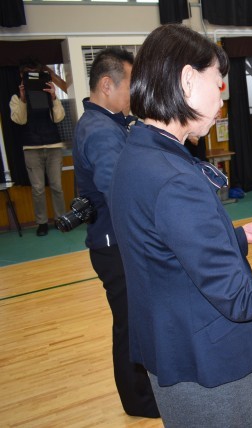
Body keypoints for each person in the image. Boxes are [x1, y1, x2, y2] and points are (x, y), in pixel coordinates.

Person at [109, 24, 252, 427]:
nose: (222, 98)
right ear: (187, 80)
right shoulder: (175, 179)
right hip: (212, 365)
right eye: (218, 84)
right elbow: (240, 300)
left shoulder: (137, 151)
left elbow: (164, 251)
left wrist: (237, 238)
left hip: (171, 347)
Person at [72, 48, 160, 418]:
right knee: (130, 324)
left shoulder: (111, 123)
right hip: (116, 244)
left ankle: (143, 392)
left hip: (116, 241)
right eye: (130, 85)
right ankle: (139, 400)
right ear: (107, 85)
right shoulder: (100, 131)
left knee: (134, 321)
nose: (134, 94)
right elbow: (118, 192)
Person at [9, 59, 66, 236]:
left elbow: (59, 117)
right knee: (38, 188)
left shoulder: (48, 95)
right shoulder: (16, 98)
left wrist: (54, 97)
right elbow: (19, 120)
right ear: (22, 76)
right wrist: (23, 99)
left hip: (53, 145)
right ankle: (41, 222)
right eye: (28, 73)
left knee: (57, 186)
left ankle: (61, 219)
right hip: (31, 148)